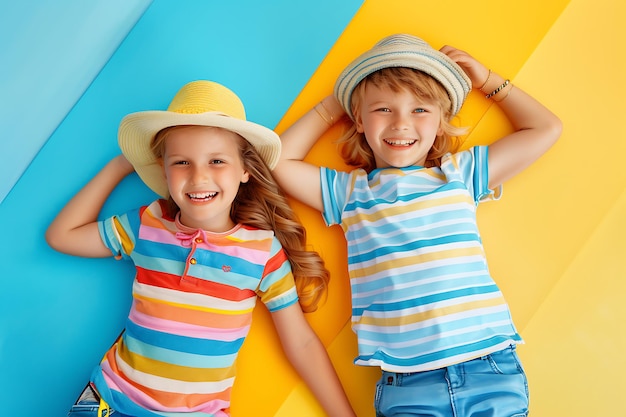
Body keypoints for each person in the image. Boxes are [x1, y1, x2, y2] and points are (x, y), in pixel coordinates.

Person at [272, 34, 562, 416]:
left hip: (489, 368)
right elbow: (277, 161)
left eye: (420, 110)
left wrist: (489, 81)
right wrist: (336, 103)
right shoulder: (351, 194)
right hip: (408, 384)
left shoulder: (460, 175)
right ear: (358, 119)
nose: (401, 124)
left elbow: (545, 129)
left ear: (442, 123)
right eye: (382, 109)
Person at [46, 80, 356, 417]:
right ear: (163, 172)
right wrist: (119, 166)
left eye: (217, 161)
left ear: (245, 170)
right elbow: (62, 236)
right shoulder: (147, 224)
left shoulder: (263, 252)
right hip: (112, 400)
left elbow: (303, 343)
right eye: (181, 163)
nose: (198, 177)